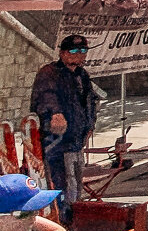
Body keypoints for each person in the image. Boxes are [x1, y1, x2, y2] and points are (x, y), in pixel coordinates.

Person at [30, 34, 98, 220]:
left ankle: (74, 216)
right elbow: (46, 97)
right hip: (56, 141)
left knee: (75, 179)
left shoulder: (82, 75)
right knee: (59, 181)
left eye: (83, 51)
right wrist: (55, 113)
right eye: (74, 51)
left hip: (76, 139)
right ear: (63, 53)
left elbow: (90, 101)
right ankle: (61, 218)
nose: (79, 55)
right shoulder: (49, 73)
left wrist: (90, 124)